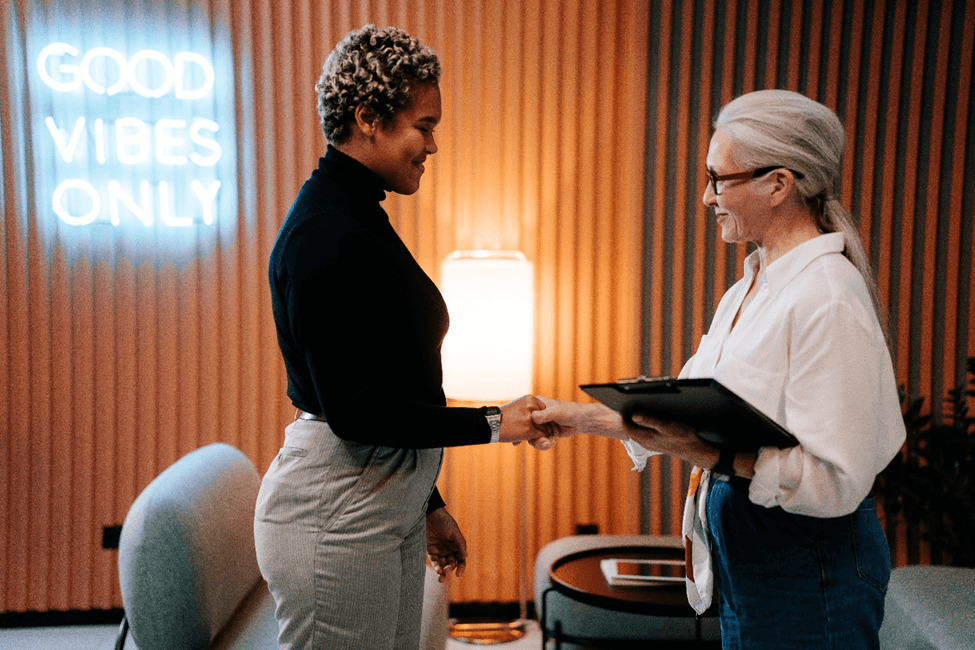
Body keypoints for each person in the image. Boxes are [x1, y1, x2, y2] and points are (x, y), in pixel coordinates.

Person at [532, 89, 906, 649]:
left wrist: (712, 456)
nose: (706, 197)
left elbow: (836, 482)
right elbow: (683, 411)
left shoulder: (828, 297)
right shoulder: (749, 287)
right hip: (751, 565)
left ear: (778, 184)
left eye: (718, 178)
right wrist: (575, 418)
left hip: (809, 573)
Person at [254, 25, 554, 650]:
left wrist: (428, 501)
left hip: (378, 495)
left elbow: (395, 380)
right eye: (424, 125)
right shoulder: (324, 234)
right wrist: (497, 422)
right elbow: (359, 411)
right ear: (368, 118)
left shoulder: (357, 215)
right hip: (335, 511)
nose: (433, 145)